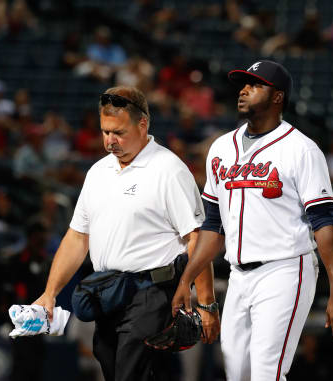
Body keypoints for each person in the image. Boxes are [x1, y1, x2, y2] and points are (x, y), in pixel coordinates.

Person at [172, 60, 333, 381]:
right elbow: (212, 227)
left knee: (267, 372)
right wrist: (187, 280)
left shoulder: (301, 149)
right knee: (237, 373)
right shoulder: (221, 148)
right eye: (243, 84)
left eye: (254, 85)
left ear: (278, 97)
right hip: (238, 276)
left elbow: (324, 223)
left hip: (285, 268)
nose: (243, 90)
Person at [33, 86, 220, 381]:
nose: (110, 141)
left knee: (128, 369)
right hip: (107, 290)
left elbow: (198, 237)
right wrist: (50, 293)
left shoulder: (168, 169)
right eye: (105, 132)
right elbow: (77, 237)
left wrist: (206, 302)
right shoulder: (97, 172)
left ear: (142, 124)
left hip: (154, 290)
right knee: (109, 362)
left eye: (118, 132)